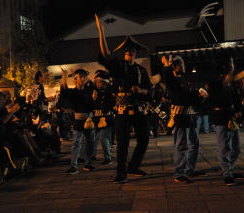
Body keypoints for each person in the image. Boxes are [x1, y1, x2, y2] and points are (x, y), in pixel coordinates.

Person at [95, 15, 151, 183]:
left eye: (132, 50)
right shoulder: (118, 66)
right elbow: (105, 54)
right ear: (124, 53)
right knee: (123, 143)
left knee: (144, 139)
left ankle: (133, 167)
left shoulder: (141, 70)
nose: (129, 51)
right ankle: (121, 173)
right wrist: (101, 32)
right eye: (127, 50)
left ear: (136, 53)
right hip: (122, 111)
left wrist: (140, 89)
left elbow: (149, 91)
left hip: (139, 109)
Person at [162, 55, 207, 183]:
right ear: (175, 67)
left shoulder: (184, 80)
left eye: (183, 63)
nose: (183, 66)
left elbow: (192, 97)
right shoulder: (173, 80)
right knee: (181, 145)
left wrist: (201, 96)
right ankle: (178, 173)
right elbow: (167, 79)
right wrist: (166, 66)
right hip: (180, 116)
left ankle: (190, 170)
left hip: (190, 116)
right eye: (181, 64)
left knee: (194, 144)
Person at [209, 54, 243, 186]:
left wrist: (239, 110)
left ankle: (229, 169)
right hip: (221, 118)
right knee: (224, 148)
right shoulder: (215, 81)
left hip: (232, 118)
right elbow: (214, 101)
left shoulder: (231, 81)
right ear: (226, 66)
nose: (233, 66)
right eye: (231, 63)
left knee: (236, 148)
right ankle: (227, 174)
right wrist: (225, 84)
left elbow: (236, 98)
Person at [60, 68, 95, 175]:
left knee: (90, 143)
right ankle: (73, 166)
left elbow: (94, 89)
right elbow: (64, 91)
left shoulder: (89, 90)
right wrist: (65, 76)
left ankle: (88, 163)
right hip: (78, 120)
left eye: (82, 77)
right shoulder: (72, 92)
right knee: (76, 143)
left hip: (89, 120)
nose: (80, 79)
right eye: (77, 77)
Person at [92, 70, 115, 164]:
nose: (97, 84)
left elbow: (110, 105)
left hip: (106, 119)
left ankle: (108, 158)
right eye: (96, 82)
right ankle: (92, 155)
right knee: (95, 138)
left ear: (105, 83)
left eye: (99, 82)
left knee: (103, 137)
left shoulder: (110, 93)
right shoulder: (94, 92)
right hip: (96, 119)